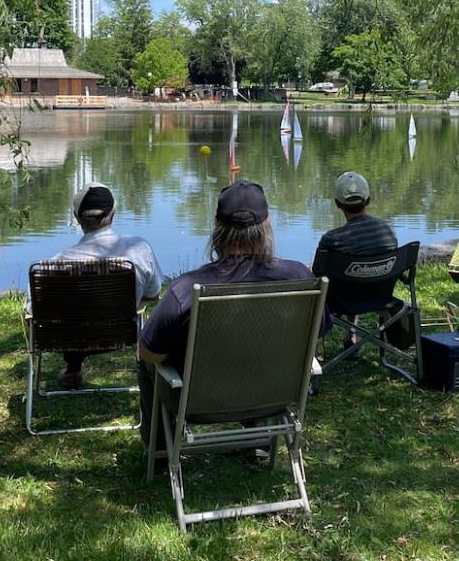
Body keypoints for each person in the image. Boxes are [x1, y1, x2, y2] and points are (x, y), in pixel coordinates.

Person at [136, 181, 313, 443]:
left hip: (200, 403)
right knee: (256, 347)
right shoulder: (300, 278)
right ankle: (260, 438)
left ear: (217, 225)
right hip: (273, 395)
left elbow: (149, 352)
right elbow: (313, 338)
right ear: (268, 223)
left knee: (144, 360)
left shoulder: (187, 289)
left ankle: (160, 451)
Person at [49, 182, 166, 388]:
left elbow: (32, 310)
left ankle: (72, 370)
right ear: (113, 213)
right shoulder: (138, 250)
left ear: (77, 218)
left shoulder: (55, 265)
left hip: (70, 339)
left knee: (69, 315)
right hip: (123, 333)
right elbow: (154, 292)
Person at [313, 172, 397, 350]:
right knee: (356, 278)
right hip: (381, 297)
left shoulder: (331, 239)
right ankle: (352, 334)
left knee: (348, 281)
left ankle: (314, 350)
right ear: (368, 200)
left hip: (342, 301)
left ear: (337, 203)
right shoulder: (387, 232)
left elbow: (317, 275)